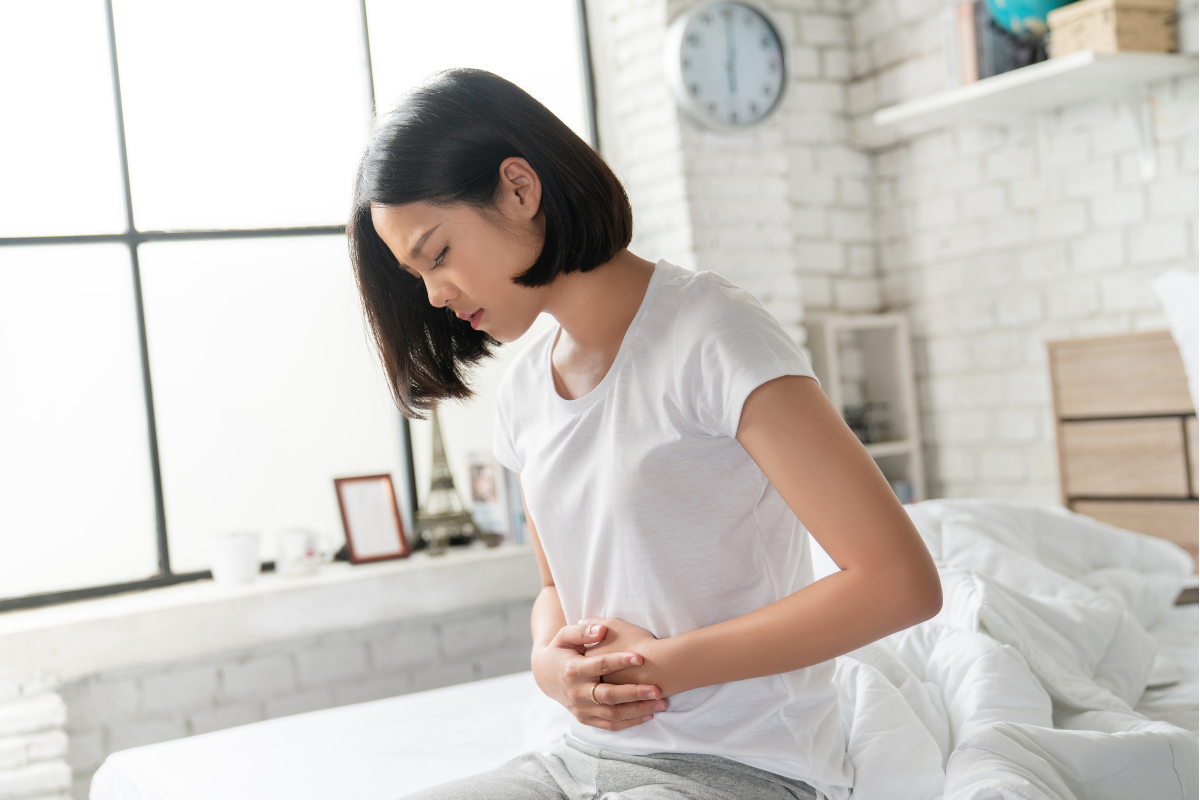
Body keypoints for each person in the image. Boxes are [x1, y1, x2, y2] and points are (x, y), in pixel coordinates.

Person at [349, 69, 942, 800]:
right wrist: (548, 662)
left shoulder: (711, 332)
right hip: (580, 762)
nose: (434, 295)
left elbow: (898, 584)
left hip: (748, 766)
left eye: (436, 254)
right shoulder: (526, 390)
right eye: (416, 276)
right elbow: (552, 586)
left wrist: (660, 668)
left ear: (518, 189)